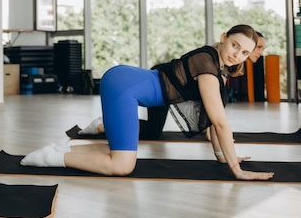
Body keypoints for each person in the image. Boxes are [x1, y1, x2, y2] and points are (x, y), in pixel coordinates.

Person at [21, 25, 274, 181]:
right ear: (224, 36)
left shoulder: (218, 67)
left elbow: (213, 123)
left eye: (243, 52)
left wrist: (223, 157)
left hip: (129, 84)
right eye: (234, 45)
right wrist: (235, 170)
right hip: (124, 85)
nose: (236, 54)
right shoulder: (207, 66)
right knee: (121, 166)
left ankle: (56, 151)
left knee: (123, 157)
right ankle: (47, 158)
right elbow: (219, 122)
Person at [78, 31, 267, 141]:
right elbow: (215, 114)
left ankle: (110, 122)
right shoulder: (211, 63)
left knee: (153, 132)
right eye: (259, 47)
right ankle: (103, 125)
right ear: (226, 38)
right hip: (164, 81)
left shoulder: (227, 67)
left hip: (172, 87)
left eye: (246, 51)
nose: (260, 52)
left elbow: (211, 110)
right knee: (153, 131)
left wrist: (214, 136)